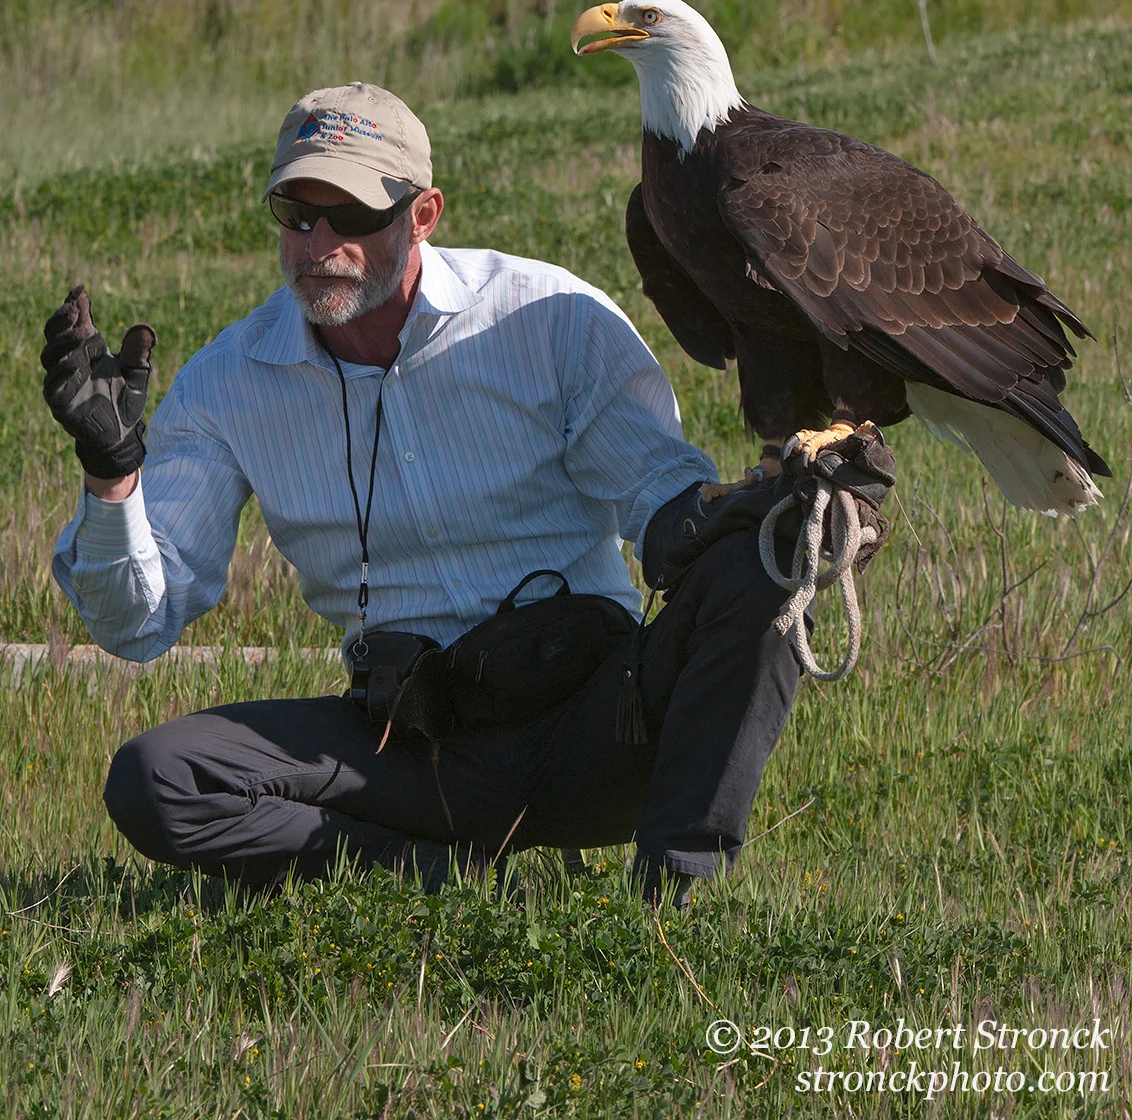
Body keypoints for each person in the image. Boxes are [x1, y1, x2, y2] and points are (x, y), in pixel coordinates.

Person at [42, 82, 895, 904]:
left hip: (600, 727)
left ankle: (673, 898)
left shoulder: (551, 317)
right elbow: (137, 625)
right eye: (295, 215)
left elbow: (661, 508)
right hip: (410, 746)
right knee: (158, 779)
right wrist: (112, 476)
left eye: (352, 216)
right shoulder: (229, 380)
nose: (317, 243)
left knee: (761, 571)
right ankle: (436, 878)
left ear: (423, 215)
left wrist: (775, 513)